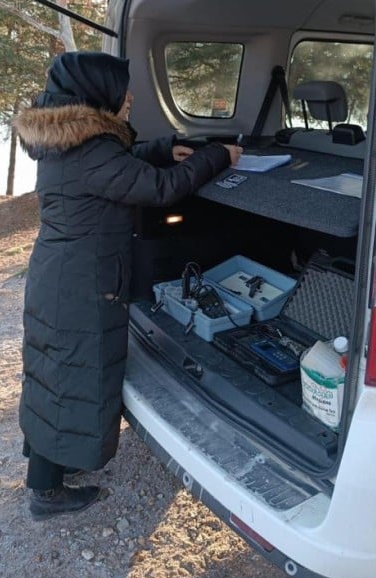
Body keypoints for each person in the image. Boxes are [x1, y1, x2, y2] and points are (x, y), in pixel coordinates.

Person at [13, 51, 242, 520]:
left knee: (56, 374)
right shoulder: (92, 150)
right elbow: (162, 189)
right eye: (123, 88)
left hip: (61, 276)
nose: (130, 96)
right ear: (98, 93)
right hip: (79, 283)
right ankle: (47, 493)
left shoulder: (66, 140)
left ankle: (48, 471)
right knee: (73, 376)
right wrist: (219, 155)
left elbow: (116, 165)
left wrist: (160, 149)